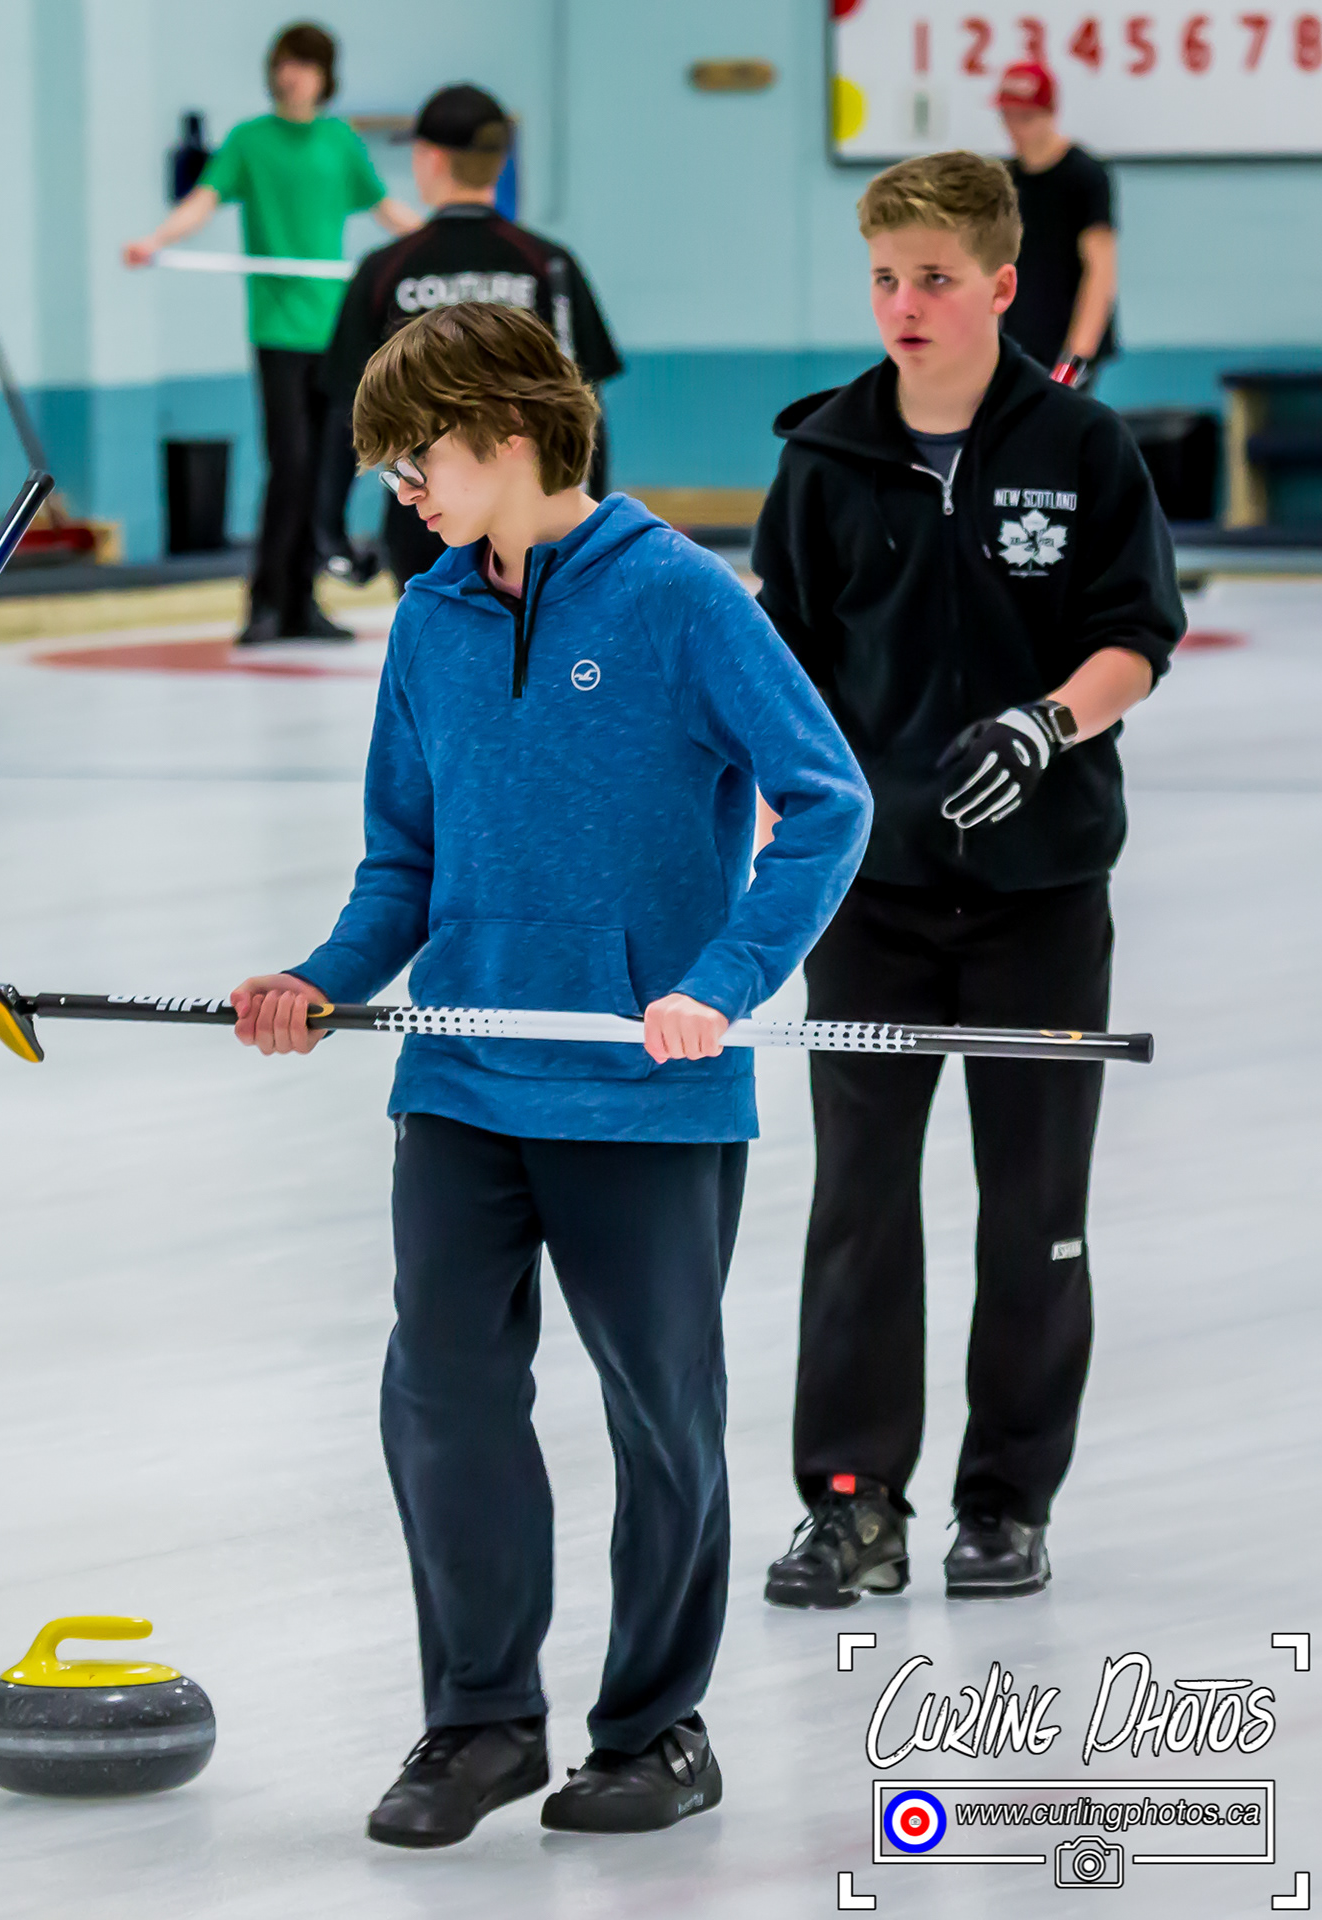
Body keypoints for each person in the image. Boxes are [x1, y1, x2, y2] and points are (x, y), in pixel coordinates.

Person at [230, 304, 870, 1845]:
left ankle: (655, 1730)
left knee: (663, 1417)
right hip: (460, 1080)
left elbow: (827, 801)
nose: (404, 494)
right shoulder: (430, 620)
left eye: (420, 462)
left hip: (643, 1088)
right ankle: (481, 1722)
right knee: (440, 1395)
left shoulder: (680, 599)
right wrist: (322, 982)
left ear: (510, 437)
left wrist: (720, 985)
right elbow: (403, 863)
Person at [751, 152, 1182, 1611]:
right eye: (886, 277)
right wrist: (796, 810)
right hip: (871, 898)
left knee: (1035, 1207)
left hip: (1041, 897)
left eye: (935, 278)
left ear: (1002, 285)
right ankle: (852, 1504)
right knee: (859, 1204)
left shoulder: (1085, 446)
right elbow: (784, 666)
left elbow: (1137, 635)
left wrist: (1046, 724)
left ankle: (1006, 1503)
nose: (905, 304)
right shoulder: (824, 458)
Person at [123, 22, 419, 645]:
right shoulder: (249, 141)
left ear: (324, 76)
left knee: (327, 471)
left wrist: (440, 242)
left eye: (305, 65)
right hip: (278, 330)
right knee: (290, 465)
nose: (293, 75)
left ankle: (303, 602)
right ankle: (265, 601)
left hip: (337, 331)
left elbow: (385, 208)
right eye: (285, 63)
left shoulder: (340, 143)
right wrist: (156, 241)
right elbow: (203, 199)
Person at [319, 82, 623, 590]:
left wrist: (330, 529)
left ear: (430, 159)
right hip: (534, 521)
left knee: (435, 637)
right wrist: (594, 517)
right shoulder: (549, 265)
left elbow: (346, 412)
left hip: (422, 520)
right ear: (500, 161)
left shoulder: (386, 270)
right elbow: (587, 407)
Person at [995, 62, 1117, 391]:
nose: (1015, 129)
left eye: (1026, 118)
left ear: (1050, 113)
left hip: (1066, 345)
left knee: (1056, 420)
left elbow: (1100, 273)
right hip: (1018, 344)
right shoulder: (1005, 180)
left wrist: (1074, 361)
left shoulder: (1084, 176)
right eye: (1007, 117)